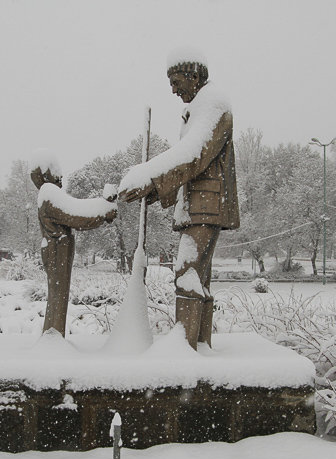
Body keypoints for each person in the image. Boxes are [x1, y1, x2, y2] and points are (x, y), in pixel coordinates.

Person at [119, 49, 239, 350]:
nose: (173, 89)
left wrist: (151, 176)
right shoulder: (198, 108)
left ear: (194, 76)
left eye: (176, 81)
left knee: (186, 270)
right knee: (197, 276)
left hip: (206, 207)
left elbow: (193, 156)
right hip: (199, 207)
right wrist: (155, 188)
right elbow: (191, 164)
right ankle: (198, 346)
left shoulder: (213, 105)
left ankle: (184, 349)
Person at [31, 154, 117, 337]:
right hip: (56, 252)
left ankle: (52, 334)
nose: (61, 176)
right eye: (56, 172)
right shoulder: (49, 193)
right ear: (46, 175)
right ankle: (53, 335)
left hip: (56, 250)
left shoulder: (47, 193)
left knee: (57, 296)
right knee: (58, 296)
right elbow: (76, 215)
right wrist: (104, 209)